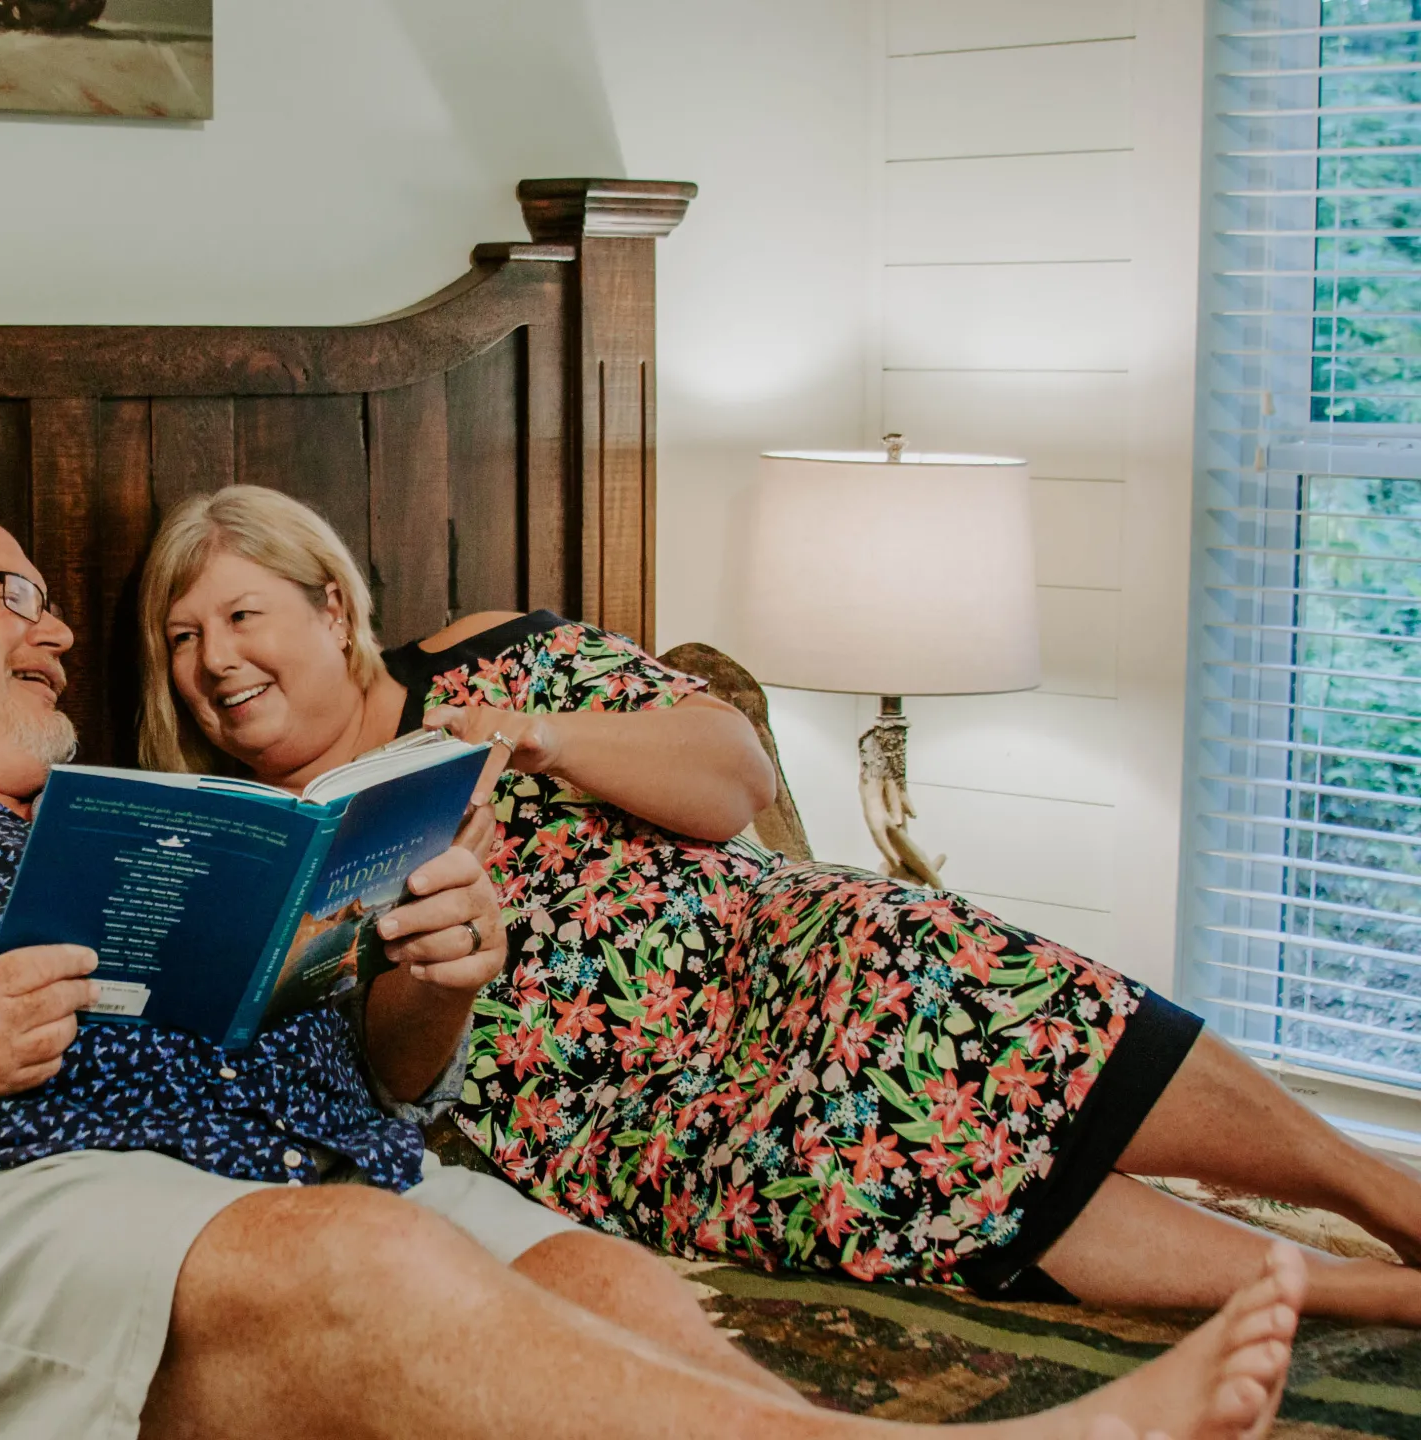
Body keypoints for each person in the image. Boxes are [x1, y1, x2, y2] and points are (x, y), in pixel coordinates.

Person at [0, 499, 1302, 1440]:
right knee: (354, 1256)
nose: (58, 630)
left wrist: (435, 974)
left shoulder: (160, 814)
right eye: (13, 595)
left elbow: (389, 1085)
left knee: (616, 1290)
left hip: (302, 1171)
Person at [137, 482, 1421, 1327]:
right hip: (598, 1097)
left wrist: (531, 737)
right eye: (182, 640)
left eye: (240, 614)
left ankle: (1376, 1190)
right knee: (867, 1148)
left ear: (334, 605)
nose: (215, 663)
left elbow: (734, 777)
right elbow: (374, 1076)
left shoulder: (494, 660)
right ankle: (1362, 1298)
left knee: (917, 955)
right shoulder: (250, 839)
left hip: (771, 948)